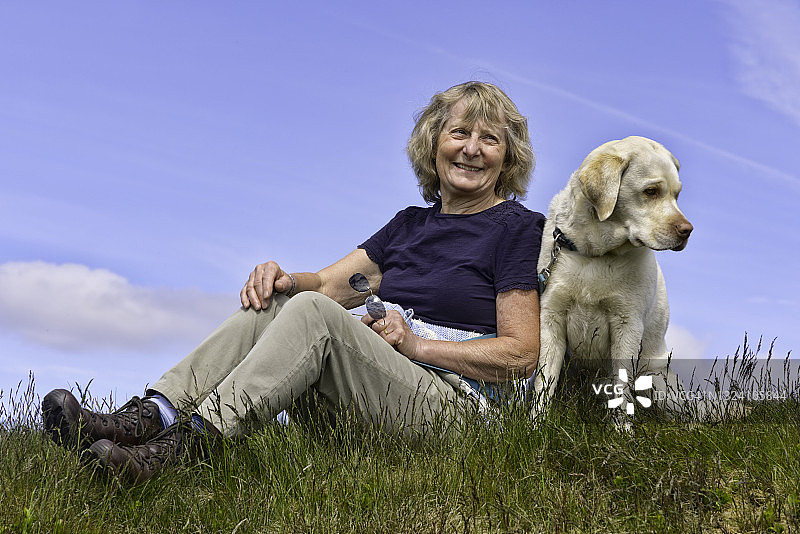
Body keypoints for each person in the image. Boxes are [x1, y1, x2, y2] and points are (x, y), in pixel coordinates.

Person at [41, 81, 545, 483]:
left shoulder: (519, 229)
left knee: (312, 314)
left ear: (508, 157)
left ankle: (186, 448)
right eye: (459, 134)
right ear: (433, 143)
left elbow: (522, 356)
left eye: (490, 139)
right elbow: (327, 285)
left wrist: (418, 344)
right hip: (377, 399)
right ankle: (149, 416)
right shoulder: (411, 223)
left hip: (455, 411)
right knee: (277, 304)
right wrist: (283, 277)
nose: (472, 150)